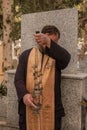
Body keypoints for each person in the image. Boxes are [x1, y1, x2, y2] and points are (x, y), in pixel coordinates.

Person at [14, 25, 71, 130]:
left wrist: (49, 43)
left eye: (54, 42)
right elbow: (18, 79)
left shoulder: (57, 57)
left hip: (52, 111)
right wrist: (24, 95)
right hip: (29, 108)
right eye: (46, 41)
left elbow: (66, 59)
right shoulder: (26, 55)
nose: (47, 45)